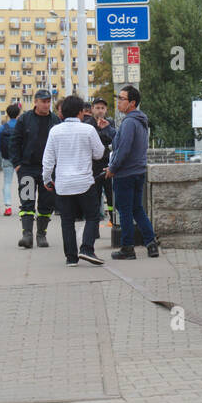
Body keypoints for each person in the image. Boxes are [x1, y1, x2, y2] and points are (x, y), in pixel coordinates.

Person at [42, 95, 108, 267]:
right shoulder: (88, 130)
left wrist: (47, 179)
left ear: (62, 113)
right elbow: (99, 153)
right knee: (93, 216)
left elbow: (48, 160)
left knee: (67, 221)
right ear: (81, 112)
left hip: (63, 184)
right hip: (84, 182)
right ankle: (87, 248)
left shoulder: (54, 131)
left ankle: (71, 257)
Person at [106, 84, 160, 260]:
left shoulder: (129, 121)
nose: (118, 102)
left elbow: (124, 149)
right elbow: (122, 141)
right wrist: (108, 128)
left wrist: (113, 168)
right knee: (137, 209)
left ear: (132, 103)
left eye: (122, 99)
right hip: (138, 172)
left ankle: (128, 248)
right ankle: (151, 243)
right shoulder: (139, 120)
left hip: (125, 174)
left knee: (125, 211)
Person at [10, 89, 60, 248]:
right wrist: (17, 164)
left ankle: (41, 235)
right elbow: (14, 142)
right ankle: (27, 235)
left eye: (48, 102)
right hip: (27, 168)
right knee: (27, 201)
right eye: (43, 101)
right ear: (35, 102)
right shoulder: (24, 119)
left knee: (46, 203)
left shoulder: (55, 120)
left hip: (48, 170)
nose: (46, 104)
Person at [83, 97, 117, 234]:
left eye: (103, 108)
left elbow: (113, 139)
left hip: (108, 163)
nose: (100, 110)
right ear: (92, 109)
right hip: (93, 165)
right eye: (97, 108)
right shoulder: (88, 124)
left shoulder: (110, 123)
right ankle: (94, 228)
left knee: (111, 196)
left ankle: (115, 223)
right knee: (94, 197)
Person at [0, 103, 21, 216]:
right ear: (18, 113)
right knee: (25, 181)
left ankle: (8, 207)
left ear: (7, 114)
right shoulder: (22, 126)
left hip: (7, 158)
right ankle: (26, 206)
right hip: (20, 159)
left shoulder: (2, 127)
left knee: (7, 182)